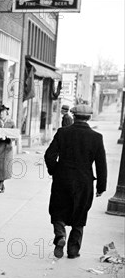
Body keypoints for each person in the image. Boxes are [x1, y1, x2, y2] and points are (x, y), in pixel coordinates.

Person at [44, 104, 107, 259]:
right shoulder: (96, 137)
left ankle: (60, 235)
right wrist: (101, 187)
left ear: (73, 115)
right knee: (80, 215)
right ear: (89, 117)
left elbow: (49, 156)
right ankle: (73, 251)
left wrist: (55, 171)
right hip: (84, 182)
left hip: (62, 179)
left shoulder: (63, 132)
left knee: (58, 210)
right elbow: (101, 165)